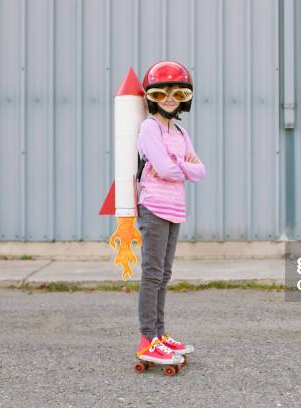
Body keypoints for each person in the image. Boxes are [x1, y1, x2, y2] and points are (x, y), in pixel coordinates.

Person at [135, 60, 206, 365]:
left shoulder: (179, 131)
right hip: (153, 208)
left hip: (175, 209)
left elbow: (201, 171)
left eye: (176, 93)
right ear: (151, 96)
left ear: (184, 98)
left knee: (164, 275)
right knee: (152, 275)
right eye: (161, 92)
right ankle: (147, 339)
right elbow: (164, 168)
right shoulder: (148, 128)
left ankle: (160, 336)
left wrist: (180, 167)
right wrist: (183, 167)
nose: (168, 98)